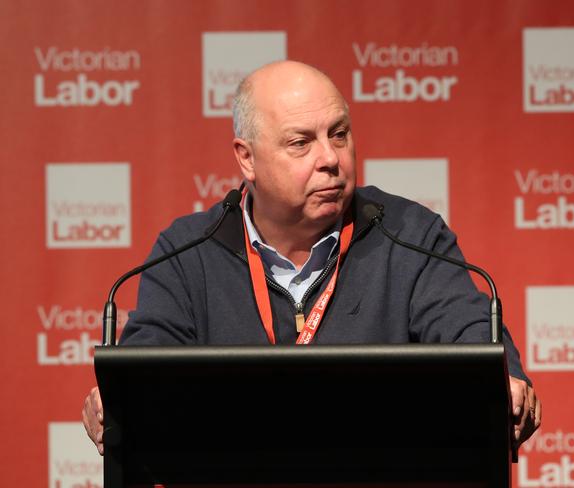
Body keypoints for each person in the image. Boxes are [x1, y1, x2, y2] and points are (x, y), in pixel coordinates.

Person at [83, 60, 541, 454]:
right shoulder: (189, 251)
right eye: (300, 142)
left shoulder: (410, 235)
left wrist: (506, 381)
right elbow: (148, 359)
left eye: (339, 134)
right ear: (247, 159)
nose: (330, 158)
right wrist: (118, 398)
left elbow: (467, 330)